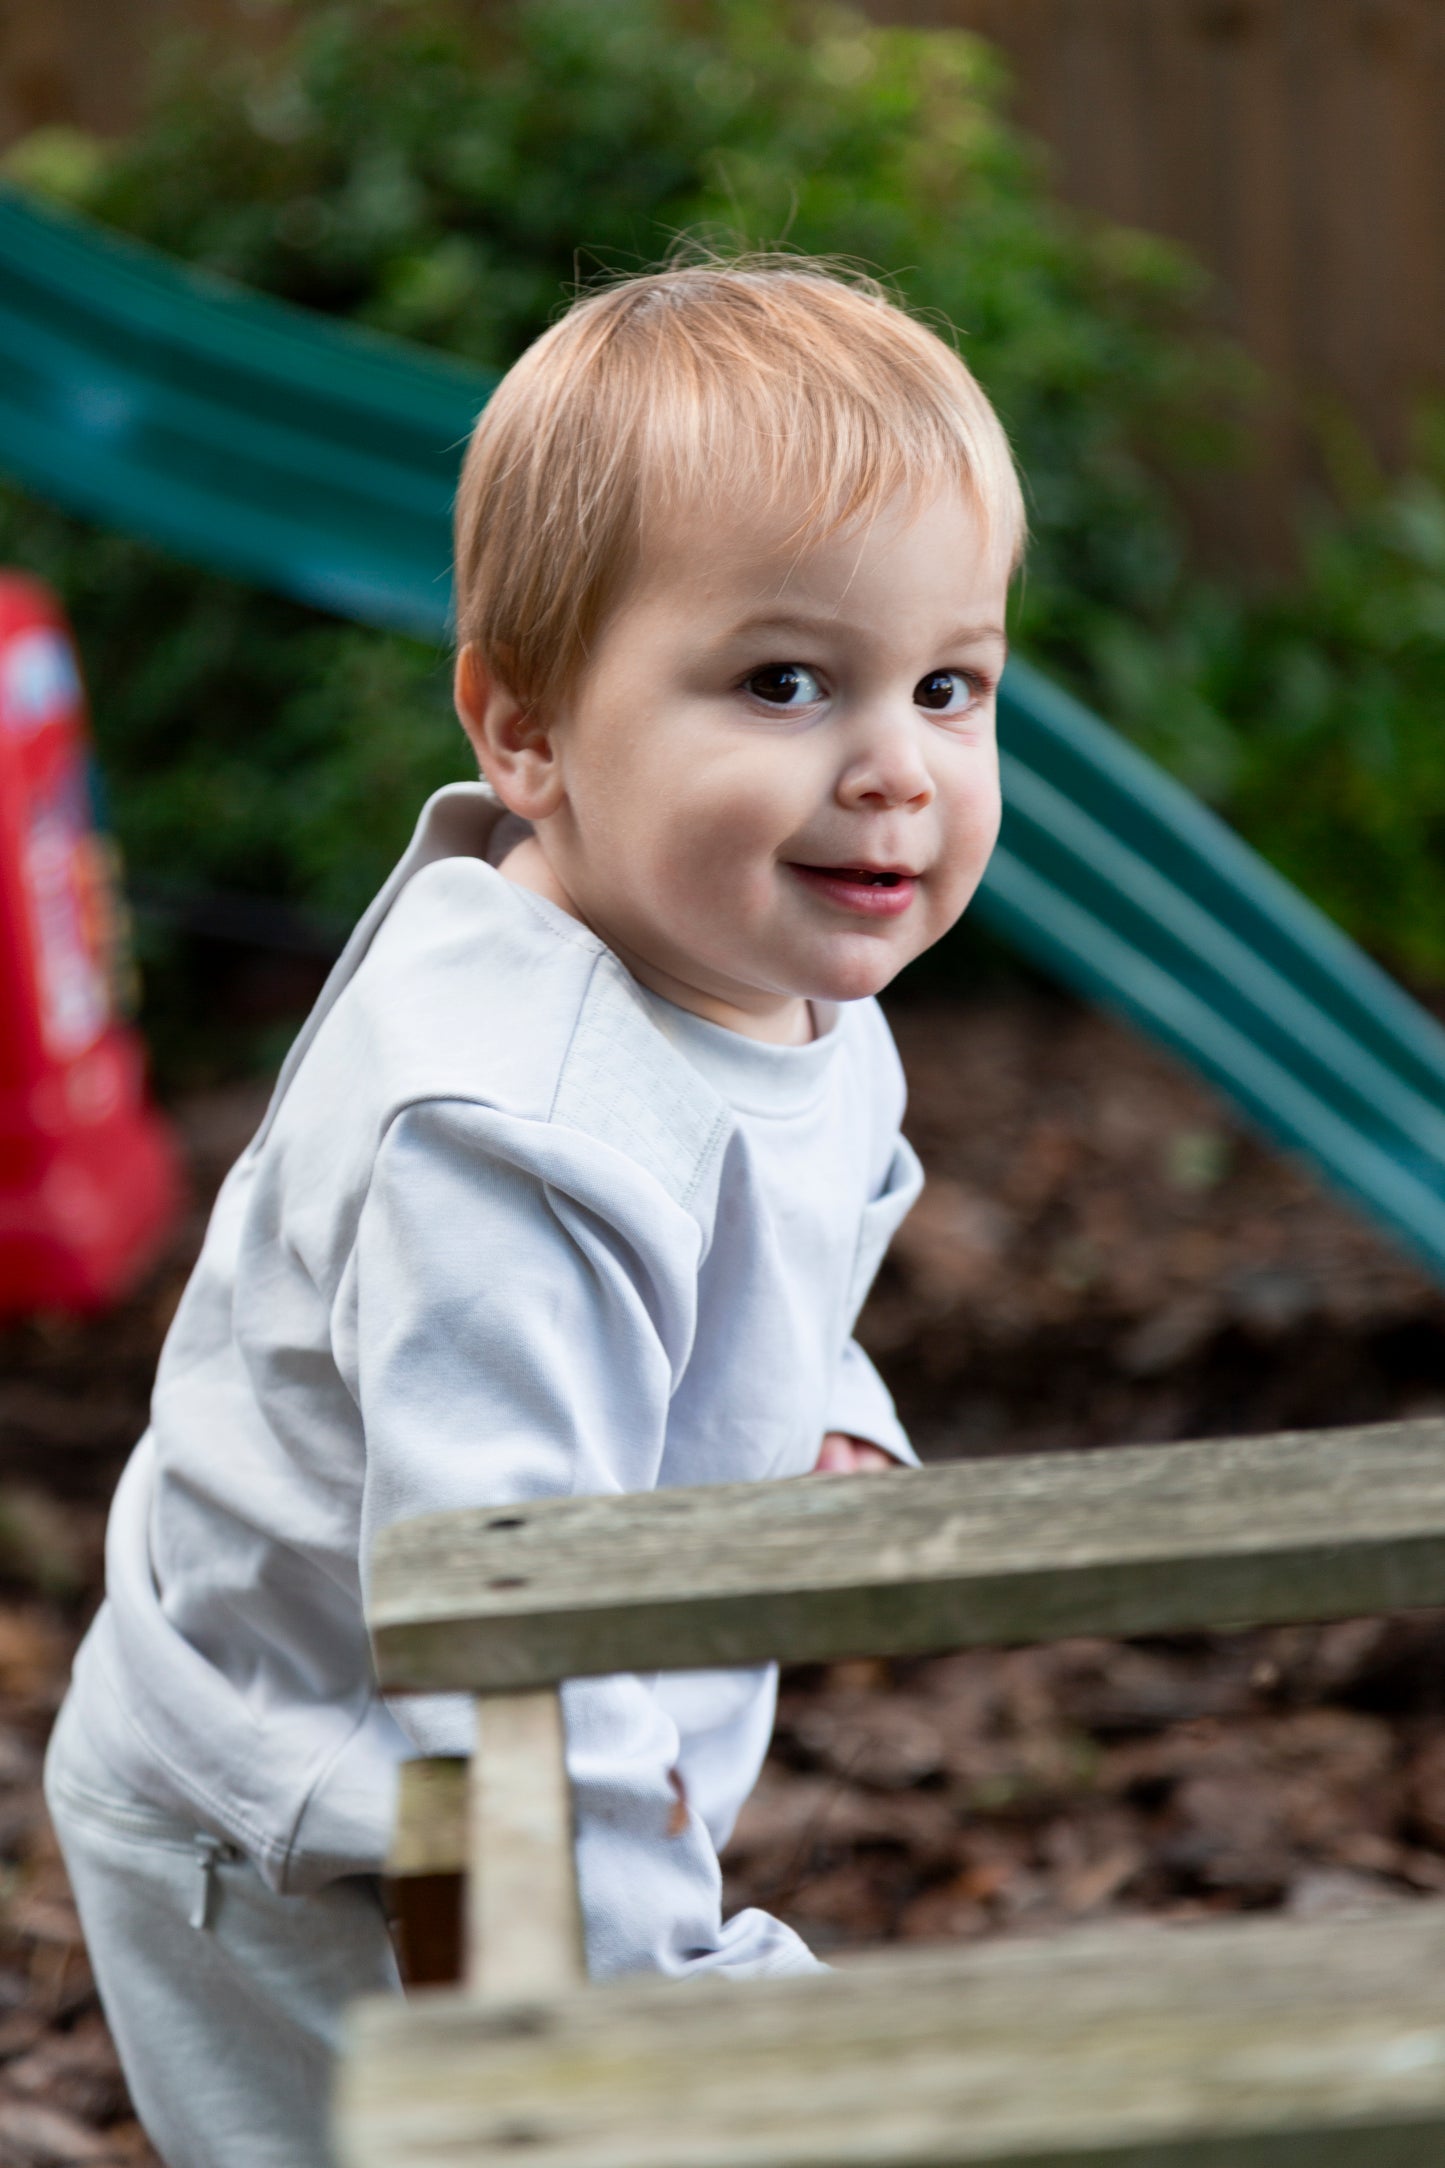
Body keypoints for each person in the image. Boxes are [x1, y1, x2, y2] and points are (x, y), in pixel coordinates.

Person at [44, 254, 1024, 2167]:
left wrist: (821, 1410)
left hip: (504, 1772)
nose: (895, 767)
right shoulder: (507, 1143)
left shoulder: (789, 980)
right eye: (783, 681)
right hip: (304, 1822)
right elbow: (502, 1632)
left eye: (947, 686)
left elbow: (786, 1254)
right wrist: (643, 2020)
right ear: (527, 733)